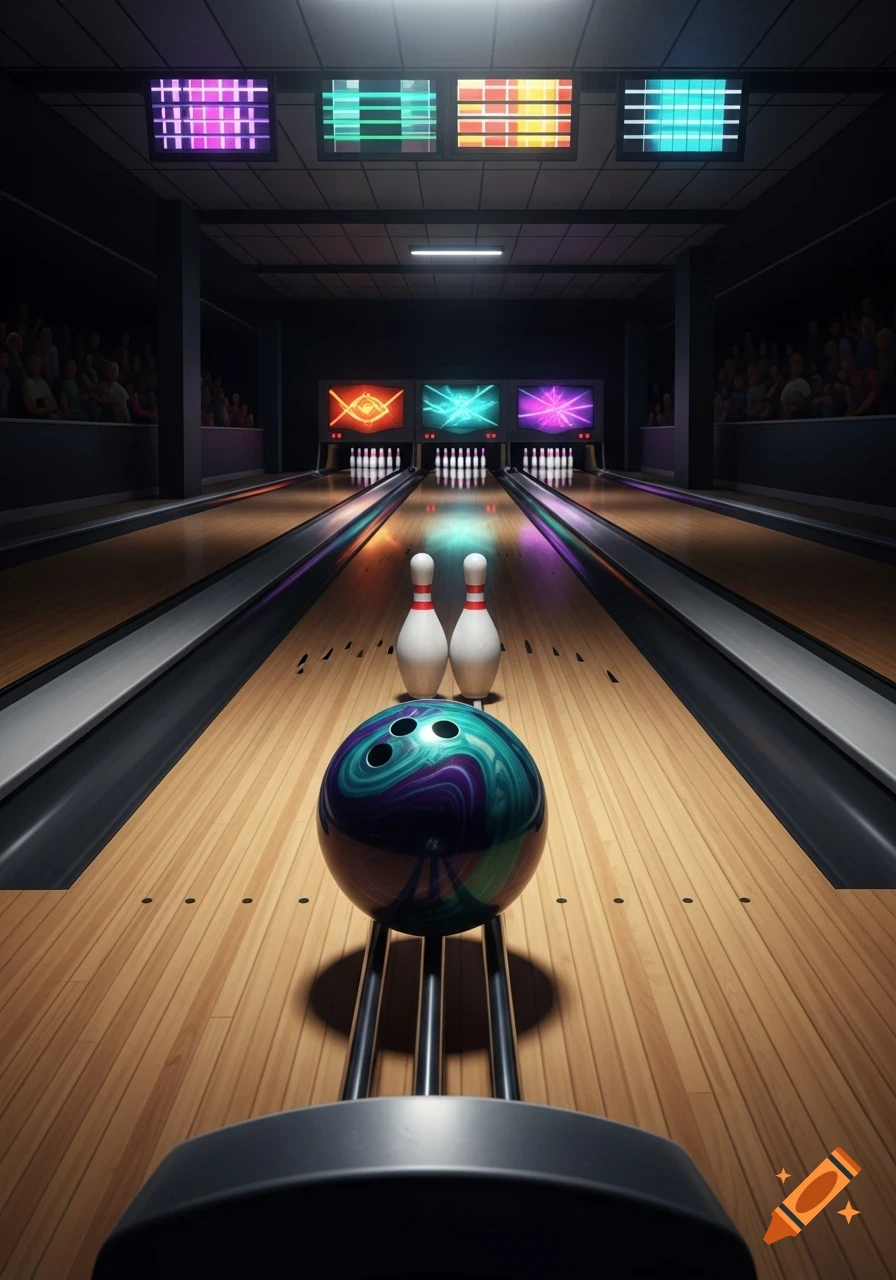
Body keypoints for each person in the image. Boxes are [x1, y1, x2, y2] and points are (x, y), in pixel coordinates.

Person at [21, 354, 61, 418]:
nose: (36, 368)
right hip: (36, 418)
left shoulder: (43, 382)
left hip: (50, 416)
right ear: (29, 365)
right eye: (34, 364)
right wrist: (47, 409)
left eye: (39, 366)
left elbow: (54, 404)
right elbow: (31, 409)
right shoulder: (25, 383)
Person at [876, 328, 895, 415]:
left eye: (881, 340)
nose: (878, 343)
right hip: (884, 395)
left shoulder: (892, 356)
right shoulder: (881, 355)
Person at [0, 351, 10, 418]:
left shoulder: (4, 374)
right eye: (3, 359)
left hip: (4, 410)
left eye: (7, 359)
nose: (5, 362)